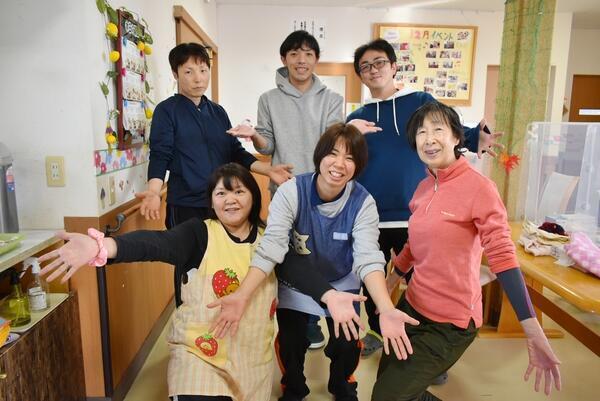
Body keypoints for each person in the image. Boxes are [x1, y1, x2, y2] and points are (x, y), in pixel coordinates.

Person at [209, 123, 419, 401]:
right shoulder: (291, 192)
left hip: (341, 280)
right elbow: (272, 247)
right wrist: (242, 294)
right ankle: (294, 387)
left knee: (346, 343)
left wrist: (385, 307)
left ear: (358, 166)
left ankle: (342, 385)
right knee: (291, 341)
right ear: (320, 156)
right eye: (333, 153)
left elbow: (368, 258)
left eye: (350, 158)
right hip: (298, 282)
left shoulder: (363, 202)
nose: (339, 164)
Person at [39, 163, 278, 401]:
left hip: (251, 361)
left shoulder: (270, 241)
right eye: (221, 193)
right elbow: (156, 243)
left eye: (239, 191)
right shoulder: (199, 233)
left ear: (254, 196)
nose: (230, 200)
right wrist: (101, 246)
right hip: (200, 355)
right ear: (211, 202)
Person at [372, 101, 561, 401]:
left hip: (450, 323)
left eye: (438, 129)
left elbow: (502, 256)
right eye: (421, 132)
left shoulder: (479, 188)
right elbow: (413, 246)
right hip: (411, 308)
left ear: (457, 137)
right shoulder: (423, 188)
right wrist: (391, 282)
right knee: (390, 385)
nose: (429, 139)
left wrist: (532, 328)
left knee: (387, 397)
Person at [346, 38, 503, 360]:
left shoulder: (418, 101)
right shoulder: (358, 115)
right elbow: (338, 153)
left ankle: (426, 347)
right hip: (371, 215)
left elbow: (447, 128)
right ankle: (377, 331)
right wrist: (348, 130)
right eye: (365, 66)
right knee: (372, 280)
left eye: (379, 63)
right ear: (360, 75)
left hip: (416, 213)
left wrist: (476, 137)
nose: (373, 70)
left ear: (393, 66)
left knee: (424, 282)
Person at [227, 31, 378, 349]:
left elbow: (334, 141)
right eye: (294, 53)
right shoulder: (269, 99)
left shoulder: (330, 98)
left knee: (322, 253)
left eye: (308, 54)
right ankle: (298, 318)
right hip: (286, 188)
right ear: (284, 59)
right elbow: (267, 145)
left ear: (316, 59)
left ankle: (316, 318)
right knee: (290, 254)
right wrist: (254, 135)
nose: (301, 60)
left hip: (324, 187)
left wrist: (349, 131)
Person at [135, 43, 291, 305]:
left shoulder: (217, 112)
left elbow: (235, 152)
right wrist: (153, 191)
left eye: (203, 70)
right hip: (186, 203)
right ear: (175, 74)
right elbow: (160, 154)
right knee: (191, 265)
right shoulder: (167, 110)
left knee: (222, 262)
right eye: (189, 72)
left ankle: (222, 315)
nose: (198, 78)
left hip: (221, 202)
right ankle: (190, 318)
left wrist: (268, 169)